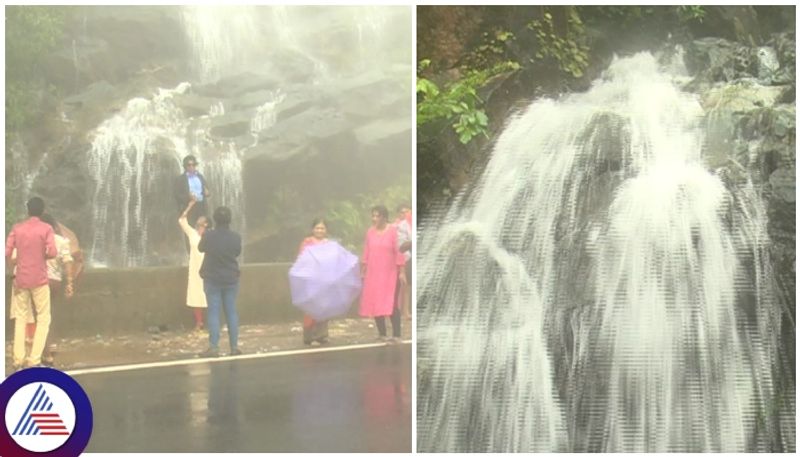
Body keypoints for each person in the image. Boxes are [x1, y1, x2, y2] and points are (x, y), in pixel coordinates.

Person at [5, 197, 57, 369]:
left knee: (20, 318)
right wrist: (41, 255)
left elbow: (7, 252)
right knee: (43, 318)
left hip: (21, 279)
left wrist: (14, 264)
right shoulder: (46, 229)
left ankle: (18, 359)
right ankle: (34, 359)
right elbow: (52, 252)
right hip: (40, 280)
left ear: (27, 210)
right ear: (42, 212)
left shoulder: (17, 228)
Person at [197, 206, 242, 357]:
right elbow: (236, 252)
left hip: (213, 279)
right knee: (231, 312)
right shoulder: (236, 237)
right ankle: (234, 347)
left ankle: (214, 347)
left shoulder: (209, 236)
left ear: (214, 220)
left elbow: (200, 248)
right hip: (231, 279)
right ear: (230, 220)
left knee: (214, 312)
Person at [359, 205, 406, 342]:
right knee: (375, 302)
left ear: (384, 217)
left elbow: (399, 252)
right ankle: (382, 333)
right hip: (374, 273)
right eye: (373, 216)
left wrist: (402, 272)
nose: (374, 219)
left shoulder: (393, 231)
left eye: (377, 216)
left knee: (391, 304)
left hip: (390, 274)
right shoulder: (370, 232)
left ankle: (397, 335)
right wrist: (364, 267)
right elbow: (367, 250)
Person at [37, 213, 75, 366]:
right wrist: (70, 283)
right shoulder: (61, 241)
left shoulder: (36, 239)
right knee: (48, 315)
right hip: (55, 282)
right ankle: (50, 345)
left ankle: (45, 354)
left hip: (38, 281)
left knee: (40, 317)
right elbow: (67, 262)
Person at [297, 218, 330, 346]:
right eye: (317, 228)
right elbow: (301, 259)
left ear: (326, 230)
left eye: (322, 228)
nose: (319, 230)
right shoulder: (307, 242)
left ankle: (322, 335)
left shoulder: (329, 244)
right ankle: (309, 336)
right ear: (312, 229)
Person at [179, 197, 209, 332]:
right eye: (197, 225)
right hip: (195, 270)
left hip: (208, 269)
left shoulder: (211, 236)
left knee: (209, 295)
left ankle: (211, 321)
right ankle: (199, 322)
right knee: (196, 295)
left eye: (201, 225)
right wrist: (189, 206)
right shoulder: (192, 234)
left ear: (206, 226)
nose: (198, 227)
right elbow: (182, 221)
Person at [174, 154, 210, 228]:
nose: (191, 167)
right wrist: (188, 197)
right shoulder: (180, 179)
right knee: (190, 230)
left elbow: (207, 189)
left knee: (202, 229)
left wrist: (208, 193)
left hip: (201, 206)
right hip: (189, 207)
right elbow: (177, 195)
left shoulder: (200, 176)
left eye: (193, 165)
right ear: (185, 166)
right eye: (189, 165)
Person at [394, 203, 412, 320]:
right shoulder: (398, 226)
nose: (404, 214)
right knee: (403, 285)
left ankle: (406, 311)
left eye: (406, 211)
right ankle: (402, 311)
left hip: (408, 257)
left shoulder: (410, 224)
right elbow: (400, 245)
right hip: (401, 257)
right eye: (402, 212)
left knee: (407, 285)